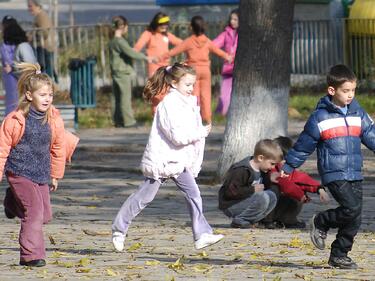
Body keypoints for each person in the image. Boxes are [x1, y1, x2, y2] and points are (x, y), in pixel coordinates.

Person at [112, 62, 224, 252]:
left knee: (194, 194)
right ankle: (119, 230)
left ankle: (201, 235)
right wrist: (201, 132)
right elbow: (177, 136)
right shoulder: (169, 105)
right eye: (187, 84)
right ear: (174, 82)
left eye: (192, 84)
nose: (191, 89)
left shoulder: (187, 103)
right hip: (163, 160)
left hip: (178, 162)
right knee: (143, 197)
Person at [282, 64, 375, 269]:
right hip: (334, 173)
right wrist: (289, 165)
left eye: (353, 90)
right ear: (332, 90)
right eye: (345, 91)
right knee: (350, 209)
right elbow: (304, 143)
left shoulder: (358, 112)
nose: (350, 95)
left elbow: (371, 135)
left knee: (356, 216)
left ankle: (339, 255)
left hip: (354, 172)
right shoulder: (320, 117)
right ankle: (322, 221)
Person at [0, 62, 79, 267]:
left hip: (41, 172)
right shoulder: (15, 119)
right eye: (42, 95)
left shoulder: (54, 119)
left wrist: (55, 175)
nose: (47, 99)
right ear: (29, 95)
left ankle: (11, 202)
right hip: (18, 172)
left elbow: (59, 148)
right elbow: (2, 149)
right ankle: (30, 255)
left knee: (45, 216)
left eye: (50, 95)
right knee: (34, 213)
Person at [160, 15, 232, 125]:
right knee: (206, 96)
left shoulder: (189, 42)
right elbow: (218, 51)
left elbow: (174, 51)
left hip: (192, 72)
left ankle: (194, 119)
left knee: (193, 96)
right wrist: (228, 57)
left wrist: (161, 57)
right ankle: (207, 120)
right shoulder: (207, 41)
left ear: (191, 27)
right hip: (205, 71)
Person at [261, 136, 330, 229]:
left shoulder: (287, 169)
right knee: (275, 189)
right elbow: (283, 183)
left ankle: (287, 219)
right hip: (265, 208)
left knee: (297, 188)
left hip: (279, 205)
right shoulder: (271, 169)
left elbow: (302, 179)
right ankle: (267, 221)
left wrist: (319, 189)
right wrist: (299, 194)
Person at [218, 139, 283, 228]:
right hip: (231, 205)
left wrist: (269, 179)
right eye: (272, 164)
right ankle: (240, 220)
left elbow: (265, 187)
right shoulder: (242, 170)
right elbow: (230, 192)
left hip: (247, 201)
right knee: (263, 197)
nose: (273, 167)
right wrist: (252, 189)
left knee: (271, 195)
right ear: (260, 158)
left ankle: (254, 221)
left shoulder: (263, 170)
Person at [109, 15, 152, 128]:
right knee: (125, 97)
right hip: (123, 72)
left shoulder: (112, 41)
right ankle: (129, 121)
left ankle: (117, 120)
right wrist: (146, 58)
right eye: (126, 26)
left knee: (116, 98)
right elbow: (131, 53)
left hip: (116, 71)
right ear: (122, 26)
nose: (127, 29)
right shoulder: (120, 41)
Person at [134, 12, 182, 78]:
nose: (164, 26)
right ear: (155, 24)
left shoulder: (166, 34)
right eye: (161, 24)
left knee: (166, 86)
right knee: (156, 87)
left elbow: (182, 44)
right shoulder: (148, 34)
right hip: (154, 67)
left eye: (166, 24)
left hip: (166, 67)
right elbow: (137, 47)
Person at [212, 9, 239, 116]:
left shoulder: (246, 35)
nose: (232, 21)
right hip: (228, 68)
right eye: (231, 19)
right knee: (224, 94)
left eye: (235, 19)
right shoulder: (226, 33)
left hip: (242, 69)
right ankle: (220, 114)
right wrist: (225, 55)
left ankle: (236, 113)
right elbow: (213, 45)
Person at [27, 0, 57, 82]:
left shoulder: (41, 16)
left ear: (37, 6)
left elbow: (44, 32)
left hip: (44, 49)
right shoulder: (39, 16)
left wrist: (32, 36)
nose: (29, 9)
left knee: (46, 74)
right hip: (42, 49)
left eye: (30, 6)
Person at [0, 15, 18, 115]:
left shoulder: (5, 45)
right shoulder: (20, 42)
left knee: (12, 100)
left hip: (10, 74)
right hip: (16, 73)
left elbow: (6, 59)